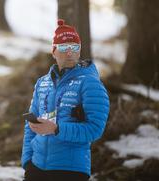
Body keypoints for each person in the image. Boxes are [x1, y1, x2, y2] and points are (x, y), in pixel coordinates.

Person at [21, 19, 110, 181]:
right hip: (37, 167)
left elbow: (95, 129)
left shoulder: (90, 83)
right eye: (63, 47)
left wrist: (56, 129)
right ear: (53, 51)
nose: (70, 52)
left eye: (74, 47)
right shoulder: (43, 82)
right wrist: (27, 161)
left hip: (71, 169)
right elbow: (30, 127)